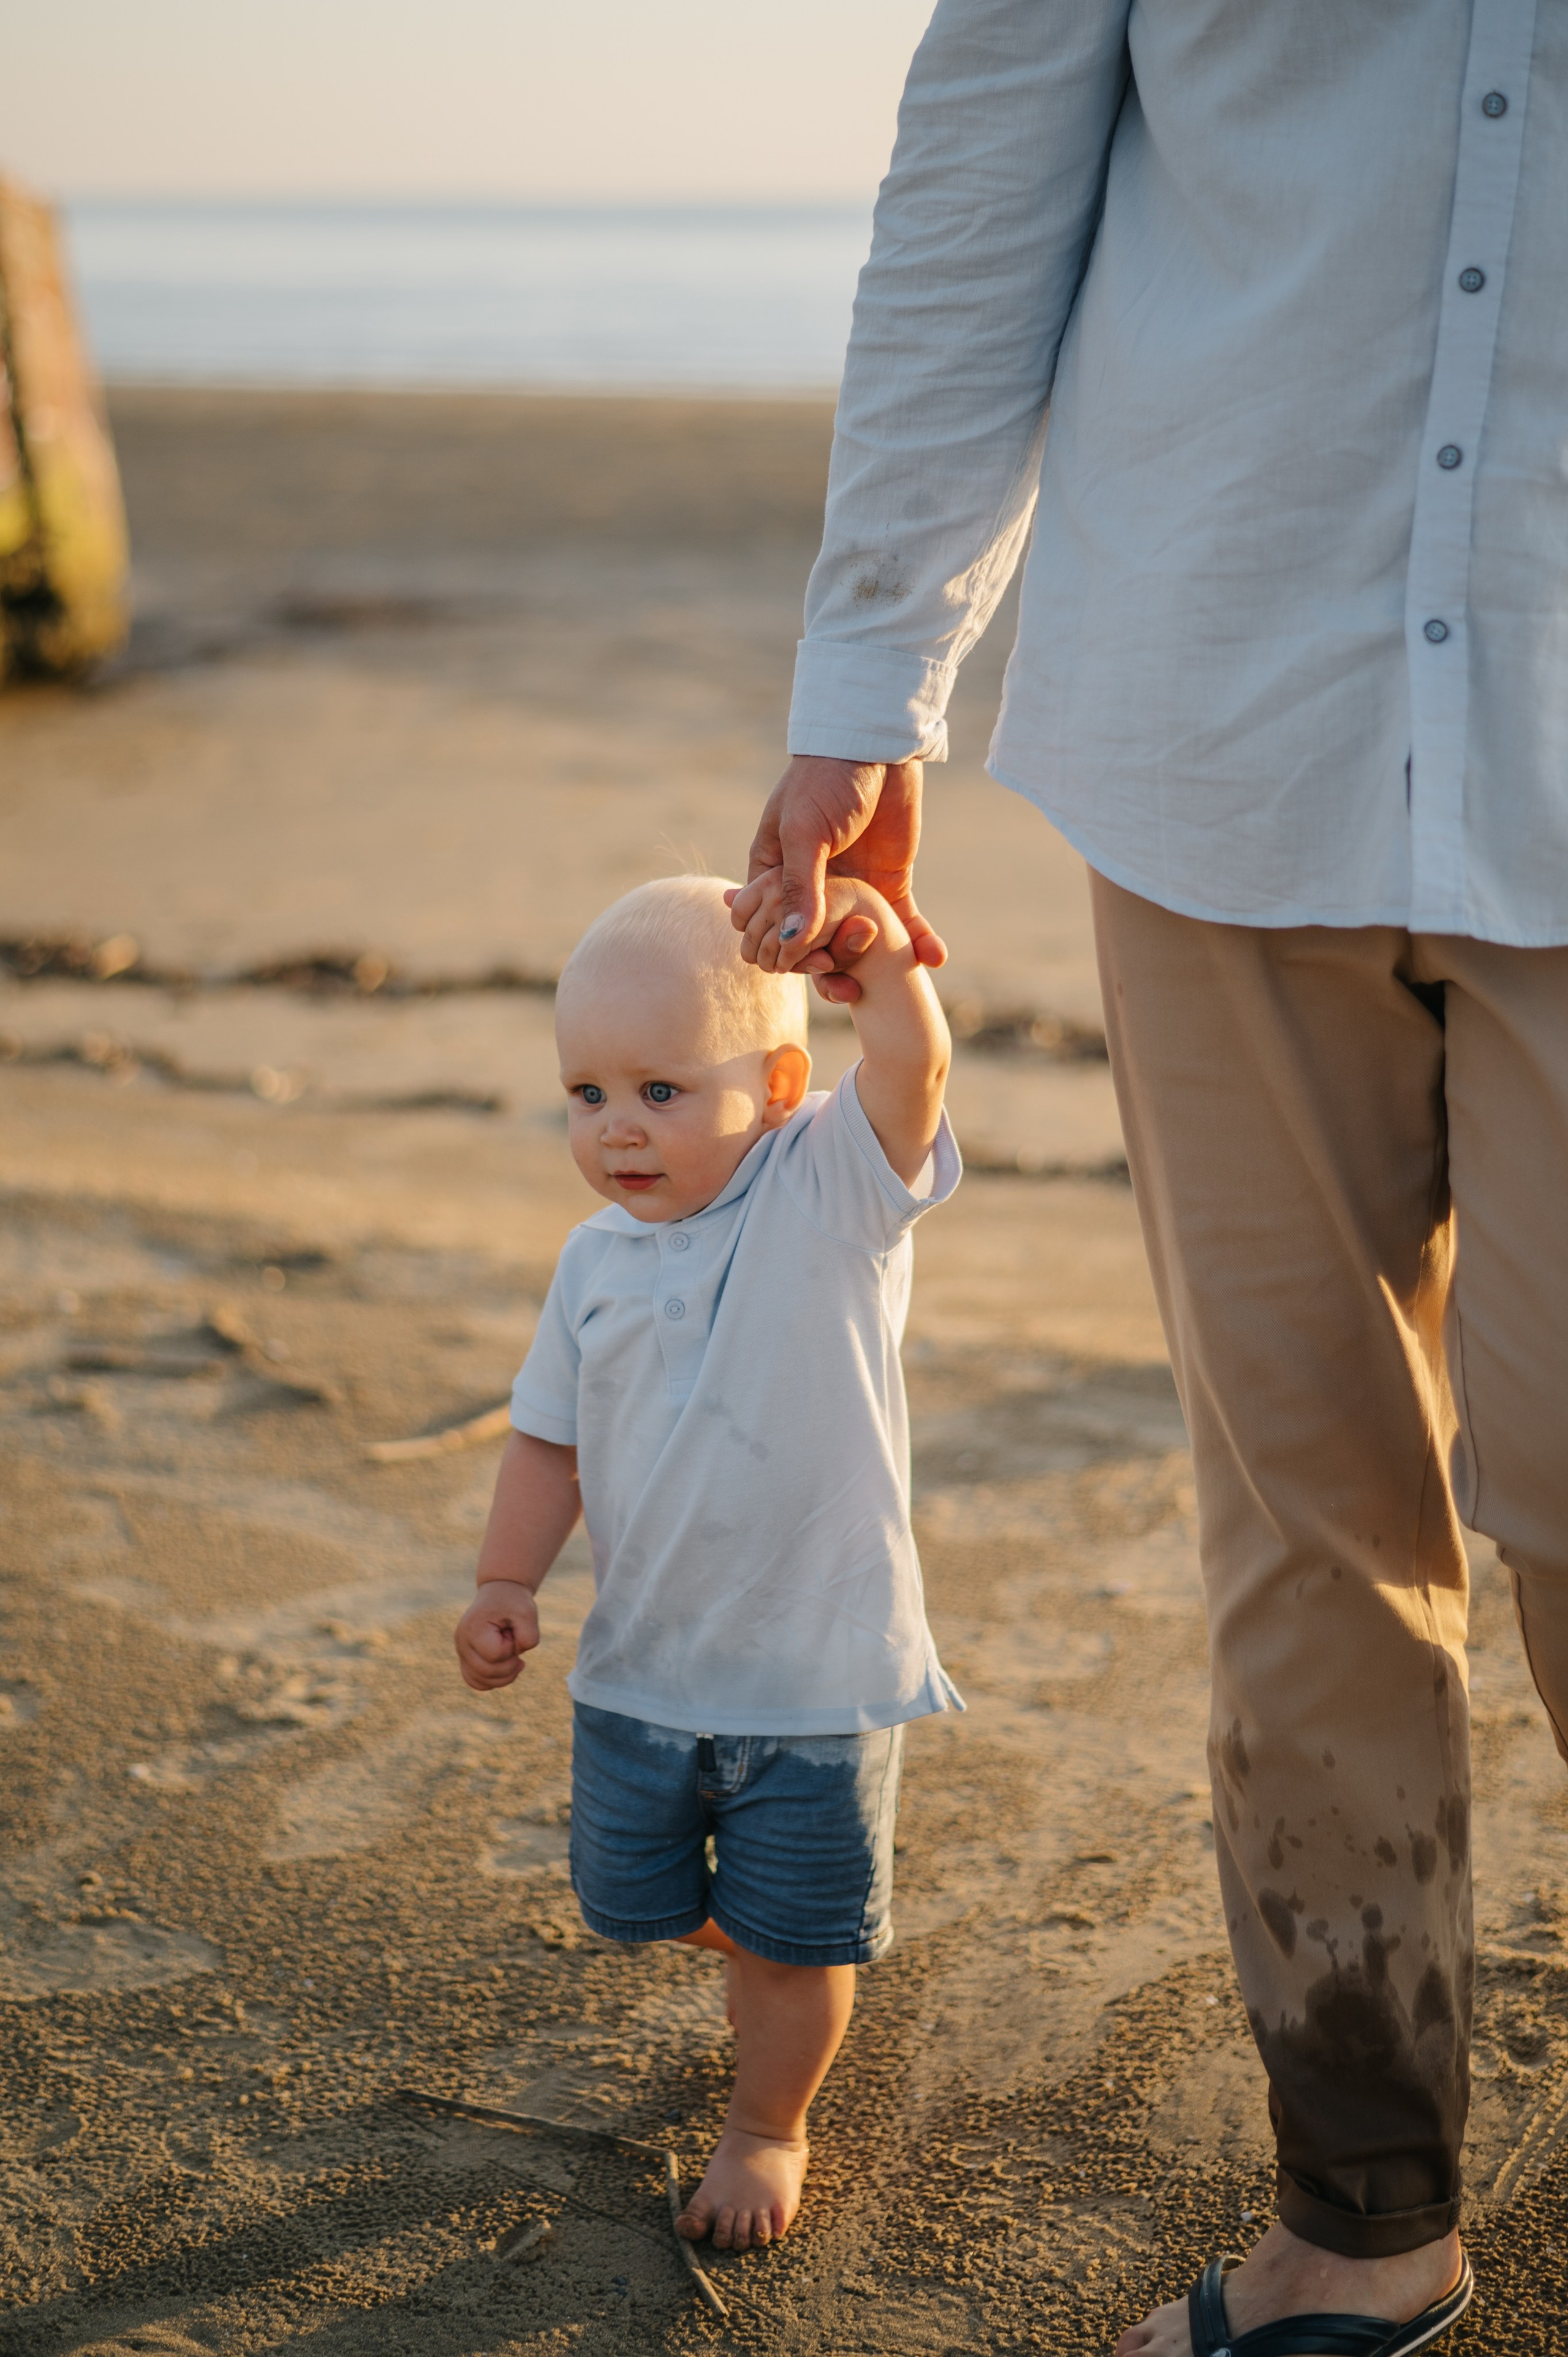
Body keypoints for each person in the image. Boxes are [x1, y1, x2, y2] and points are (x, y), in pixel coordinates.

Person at [735, 3, 1568, 2349]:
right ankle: (1365, 2215)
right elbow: (989, 162)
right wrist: (866, 673)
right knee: (1303, 1505)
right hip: (1222, 707)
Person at [453, 873, 960, 2251]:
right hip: (644, 1671)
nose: (617, 1127)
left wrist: (876, 961)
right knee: (633, 1902)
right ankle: (773, 1965)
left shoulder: (829, 1196)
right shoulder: (593, 1258)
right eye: (586, 1093)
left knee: (796, 1946)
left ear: (783, 1083)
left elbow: (910, 1070)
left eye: (663, 1091)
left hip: (813, 1682)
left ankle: (767, 2121)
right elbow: (546, 1440)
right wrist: (507, 1582)